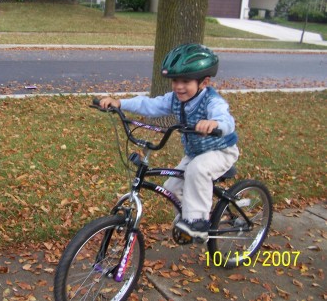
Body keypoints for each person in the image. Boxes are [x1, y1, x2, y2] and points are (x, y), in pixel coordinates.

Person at [99, 43, 239, 240]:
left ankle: (197, 222)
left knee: (197, 170)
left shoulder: (212, 101)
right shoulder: (175, 99)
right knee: (172, 187)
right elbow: (150, 104)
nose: (179, 87)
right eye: (175, 81)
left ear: (204, 82)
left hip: (221, 151)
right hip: (195, 154)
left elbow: (227, 121)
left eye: (186, 81)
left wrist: (214, 123)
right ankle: (186, 222)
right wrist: (120, 103)